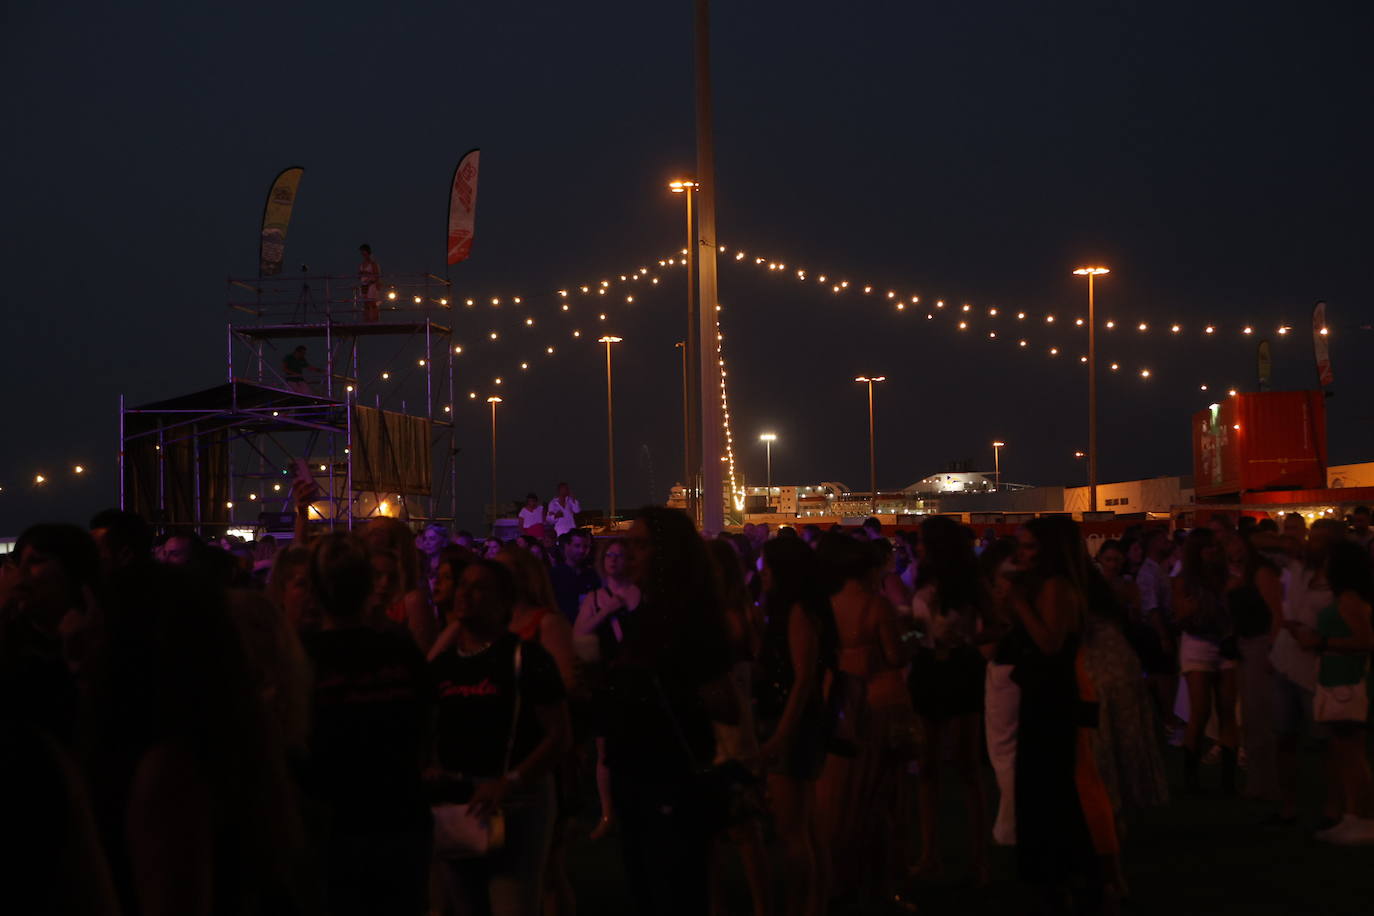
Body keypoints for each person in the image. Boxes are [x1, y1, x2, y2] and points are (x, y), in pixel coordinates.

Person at [597, 507, 738, 916]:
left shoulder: (690, 618)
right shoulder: (644, 611)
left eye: (641, 545)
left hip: (670, 772)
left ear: (668, 552)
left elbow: (725, 703)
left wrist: (659, 683)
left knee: (673, 889)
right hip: (634, 770)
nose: (630, 554)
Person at [299, 533, 432, 916]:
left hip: (333, 820)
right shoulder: (398, 649)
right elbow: (426, 717)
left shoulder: (304, 657)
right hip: (397, 813)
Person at [429, 560, 571, 916]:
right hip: (459, 803)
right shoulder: (444, 665)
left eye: (478, 588)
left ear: (504, 601)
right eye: (462, 585)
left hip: (515, 802)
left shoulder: (526, 658)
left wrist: (511, 781)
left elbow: (558, 734)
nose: (464, 594)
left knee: (512, 901)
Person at [1008, 517, 1119, 912]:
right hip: (1044, 693)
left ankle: (1071, 876)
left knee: (1053, 787)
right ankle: (1068, 876)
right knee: (1046, 786)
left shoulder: (1055, 587)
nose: (1020, 554)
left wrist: (1019, 601)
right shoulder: (1051, 585)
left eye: (1029, 547)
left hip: (1052, 696)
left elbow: (1051, 643)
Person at [814, 533, 914, 908]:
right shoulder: (875, 606)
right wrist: (913, 638)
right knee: (881, 798)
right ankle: (882, 883)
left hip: (840, 701)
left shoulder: (828, 605)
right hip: (877, 701)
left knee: (841, 798)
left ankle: (839, 879)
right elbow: (895, 654)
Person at [756, 535, 834, 916]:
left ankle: (802, 903)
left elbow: (803, 678)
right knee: (805, 828)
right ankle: (814, 902)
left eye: (767, 565)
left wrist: (782, 734)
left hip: (794, 724)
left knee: (793, 830)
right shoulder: (790, 609)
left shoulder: (798, 613)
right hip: (797, 722)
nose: (761, 572)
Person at [907, 515, 988, 882]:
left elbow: (992, 625)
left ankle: (979, 853)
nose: (918, 545)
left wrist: (964, 638)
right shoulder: (919, 576)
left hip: (959, 667)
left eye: (923, 540)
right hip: (928, 666)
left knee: (967, 764)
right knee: (927, 765)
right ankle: (929, 852)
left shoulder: (970, 584)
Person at [1288, 540, 1374, 844]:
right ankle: (1353, 815)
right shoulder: (1345, 597)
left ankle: (1364, 819)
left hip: (1347, 682)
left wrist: (1321, 643)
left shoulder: (1349, 599)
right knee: (1344, 752)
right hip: (1337, 679)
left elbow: (1365, 641)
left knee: (1352, 754)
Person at [705, 538, 770, 916]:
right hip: (736, 716)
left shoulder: (725, 616)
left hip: (726, 721)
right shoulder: (746, 611)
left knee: (734, 826)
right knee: (737, 828)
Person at [1269, 519, 1339, 826]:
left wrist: (1317, 638)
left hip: (1317, 667)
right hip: (1285, 661)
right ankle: (1288, 806)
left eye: (1322, 540)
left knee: (1326, 743)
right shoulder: (1297, 569)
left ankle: (1333, 808)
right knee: (1284, 738)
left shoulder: (1340, 580)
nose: (1314, 544)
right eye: (1314, 537)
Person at [1173, 527, 1239, 794]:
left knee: (1226, 709)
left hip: (1224, 643)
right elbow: (1180, 616)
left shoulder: (1228, 578)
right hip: (1198, 643)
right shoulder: (1184, 580)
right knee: (1200, 710)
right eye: (1206, 547)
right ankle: (1191, 779)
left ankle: (1227, 779)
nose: (1212, 551)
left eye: (1214, 546)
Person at [1223, 531, 1284, 802]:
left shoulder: (1260, 573)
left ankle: (1266, 783)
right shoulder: (1240, 576)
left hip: (1260, 644)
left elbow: (1276, 614)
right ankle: (1258, 781)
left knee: (1259, 715)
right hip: (1245, 645)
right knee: (1249, 715)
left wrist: (1273, 649)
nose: (1231, 549)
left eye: (1235, 543)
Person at [549, 528, 599, 623]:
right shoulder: (554, 574)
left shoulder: (592, 574)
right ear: (567, 546)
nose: (582, 550)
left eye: (586, 547)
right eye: (577, 546)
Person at [359, 244, 381, 322]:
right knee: (365, 304)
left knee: (372, 303)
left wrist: (367, 274)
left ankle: (375, 320)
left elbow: (377, 275)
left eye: (364, 252)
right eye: (362, 253)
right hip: (363, 285)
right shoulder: (361, 264)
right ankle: (366, 320)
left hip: (371, 285)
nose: (363, 254)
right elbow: (359, 276)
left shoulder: (373, 263)